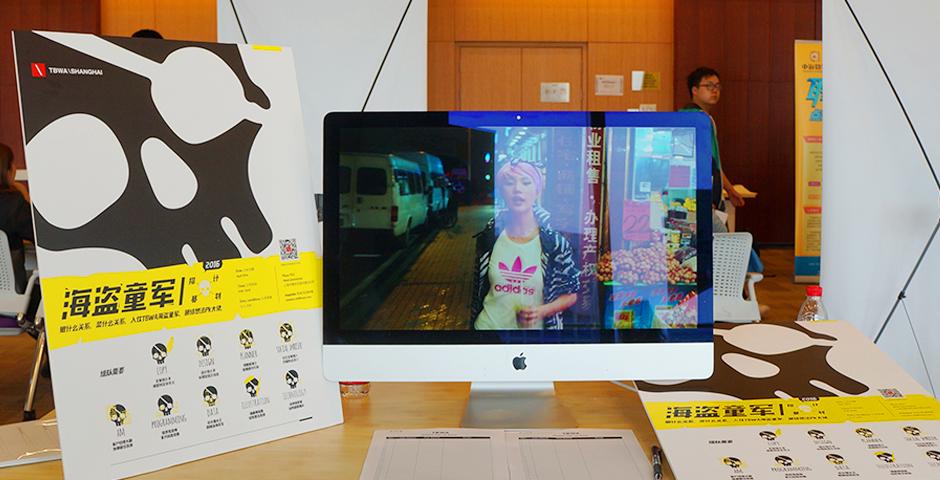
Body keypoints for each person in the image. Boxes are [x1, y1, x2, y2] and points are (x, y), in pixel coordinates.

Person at [471, 160, 578, 330]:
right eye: (509, 183)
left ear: (537, 190)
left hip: (534, 338)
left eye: (526, 182)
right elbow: (478, 290)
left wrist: (542, 311)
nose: (517, 189)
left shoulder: (554, 243)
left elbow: (571, 294)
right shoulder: (489, 237)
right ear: (502, 191)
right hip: (488, 332)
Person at [680, 67, 745, 232]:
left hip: (706, 195)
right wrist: (704, 196)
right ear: (694, 90)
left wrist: (729, 189)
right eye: (708, 86)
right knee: (721, 239)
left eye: (717, 86)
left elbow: (713, 161)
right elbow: (692, 162)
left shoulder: (703, 118)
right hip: (701, 197)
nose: (714, 90)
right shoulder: (694, 118)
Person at [0, 143, 34, 293]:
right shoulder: (13, 204)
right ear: (7, 171)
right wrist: (23, 195)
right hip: (12, 296)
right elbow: (38, 236)